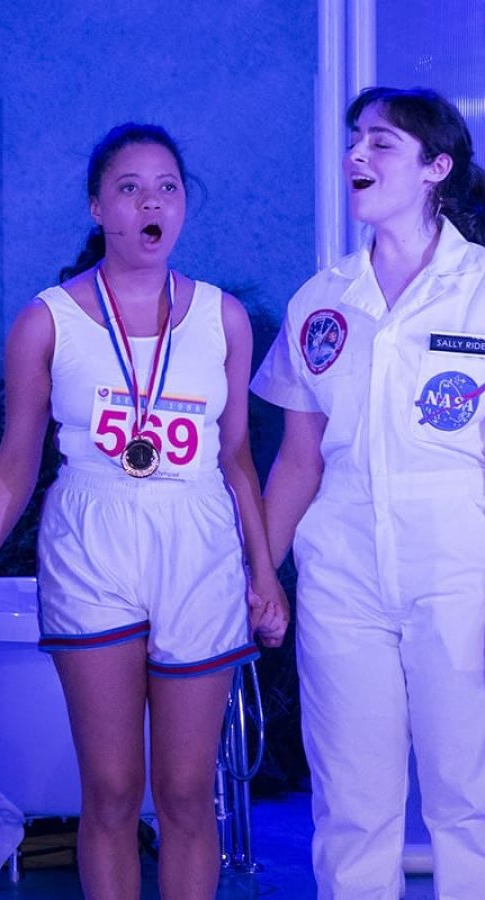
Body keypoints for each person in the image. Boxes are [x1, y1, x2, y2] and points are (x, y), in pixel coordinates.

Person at [0, 123, 288, 900]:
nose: (151, 201)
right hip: (93, 536)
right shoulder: (49, 319)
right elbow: (16, 462)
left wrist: (266, 574)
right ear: (97, 207)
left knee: (184, 794)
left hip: (197, 541)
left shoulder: (225, 318)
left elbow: (238, 456)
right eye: (130, 187)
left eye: (167, 187)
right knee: (110, 792)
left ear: (183, 208)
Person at [253, 86, 485, 900]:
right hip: (342, 580)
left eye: (381, 144)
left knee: (471, 800)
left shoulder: (481, 288)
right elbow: (297, 463)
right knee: (352, 805)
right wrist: (260, 575)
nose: (357, 156)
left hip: (461, 577)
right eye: (354, 141)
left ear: (436, 170)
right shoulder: (322, 301)